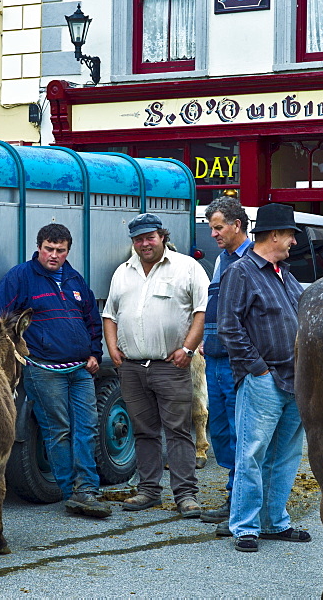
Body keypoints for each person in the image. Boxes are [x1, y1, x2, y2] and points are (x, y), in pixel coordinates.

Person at [0, 223, 110, 519]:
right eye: (48, 249)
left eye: (60, 250)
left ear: (67, 251)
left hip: (79, 369)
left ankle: (88, 489)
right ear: (39, 247)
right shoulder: (22, 276)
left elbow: (91, 320)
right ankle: (71, 492)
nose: (54, 255)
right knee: (58, 430)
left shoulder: (75, 279)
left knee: (87, 427)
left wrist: (94, 353)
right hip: (43, 369)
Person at [217, 203, 312, 553]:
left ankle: (273, 522)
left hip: (295, 379)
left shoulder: (284, 273)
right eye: (290, 235)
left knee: (285, 455)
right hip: (265, 380)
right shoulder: (241, 272)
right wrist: (258, 369)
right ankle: (244, 526)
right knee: (252, 453)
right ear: (274, 235)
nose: (292, 242)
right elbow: (229, 328)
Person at [102, 213, 209, 517]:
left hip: (170, 365)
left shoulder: (187, 267)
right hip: (133, 367)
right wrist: (112, 347)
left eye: (150, 237)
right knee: (144, 431)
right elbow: (110, 314)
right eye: (138, 239)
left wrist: (187, 349)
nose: (144, 244)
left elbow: (203, 309)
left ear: (162, 236)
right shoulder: (123, 272)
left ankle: (186, 495)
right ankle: (148, 491)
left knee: (178, 431)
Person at [198, 197, 253, 534]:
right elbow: (215, 305)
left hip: (237, 362)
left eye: (218, 227)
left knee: (240, 432)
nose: (214, 234)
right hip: (214, 358)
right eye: (212, 228)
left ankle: (240, 502)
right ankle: (234, 495)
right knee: (219, 432)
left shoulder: (253, 259)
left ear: (237, 225)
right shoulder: (222, 260)